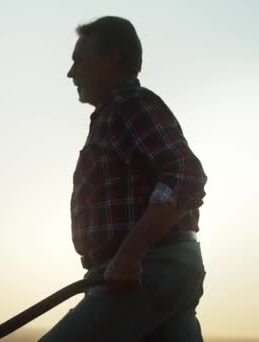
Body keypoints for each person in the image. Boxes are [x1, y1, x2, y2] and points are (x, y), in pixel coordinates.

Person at [39, 16, 208, 341]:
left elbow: (185, 174)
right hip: (150, 269)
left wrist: (130, 254)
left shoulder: (130, 105)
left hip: (151, 266)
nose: (71, 73)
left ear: (111, 58)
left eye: (79, 60)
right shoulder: (112, 114)